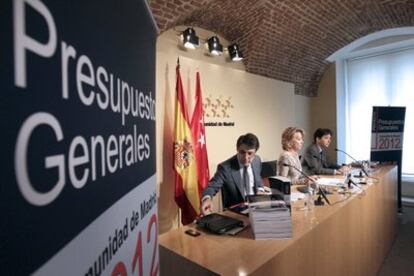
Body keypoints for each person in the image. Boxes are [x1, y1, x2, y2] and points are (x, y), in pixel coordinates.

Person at [201, 133, 264, 216]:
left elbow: (258, 181)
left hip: (256, 208)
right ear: (237, 149)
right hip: (236, 213)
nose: (246, 157)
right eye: (242, 152)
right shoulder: (225, 168)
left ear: (255, 152)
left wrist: (260, 190)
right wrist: (207, 199)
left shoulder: (257, 160)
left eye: (250, 153)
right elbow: (212, 186)